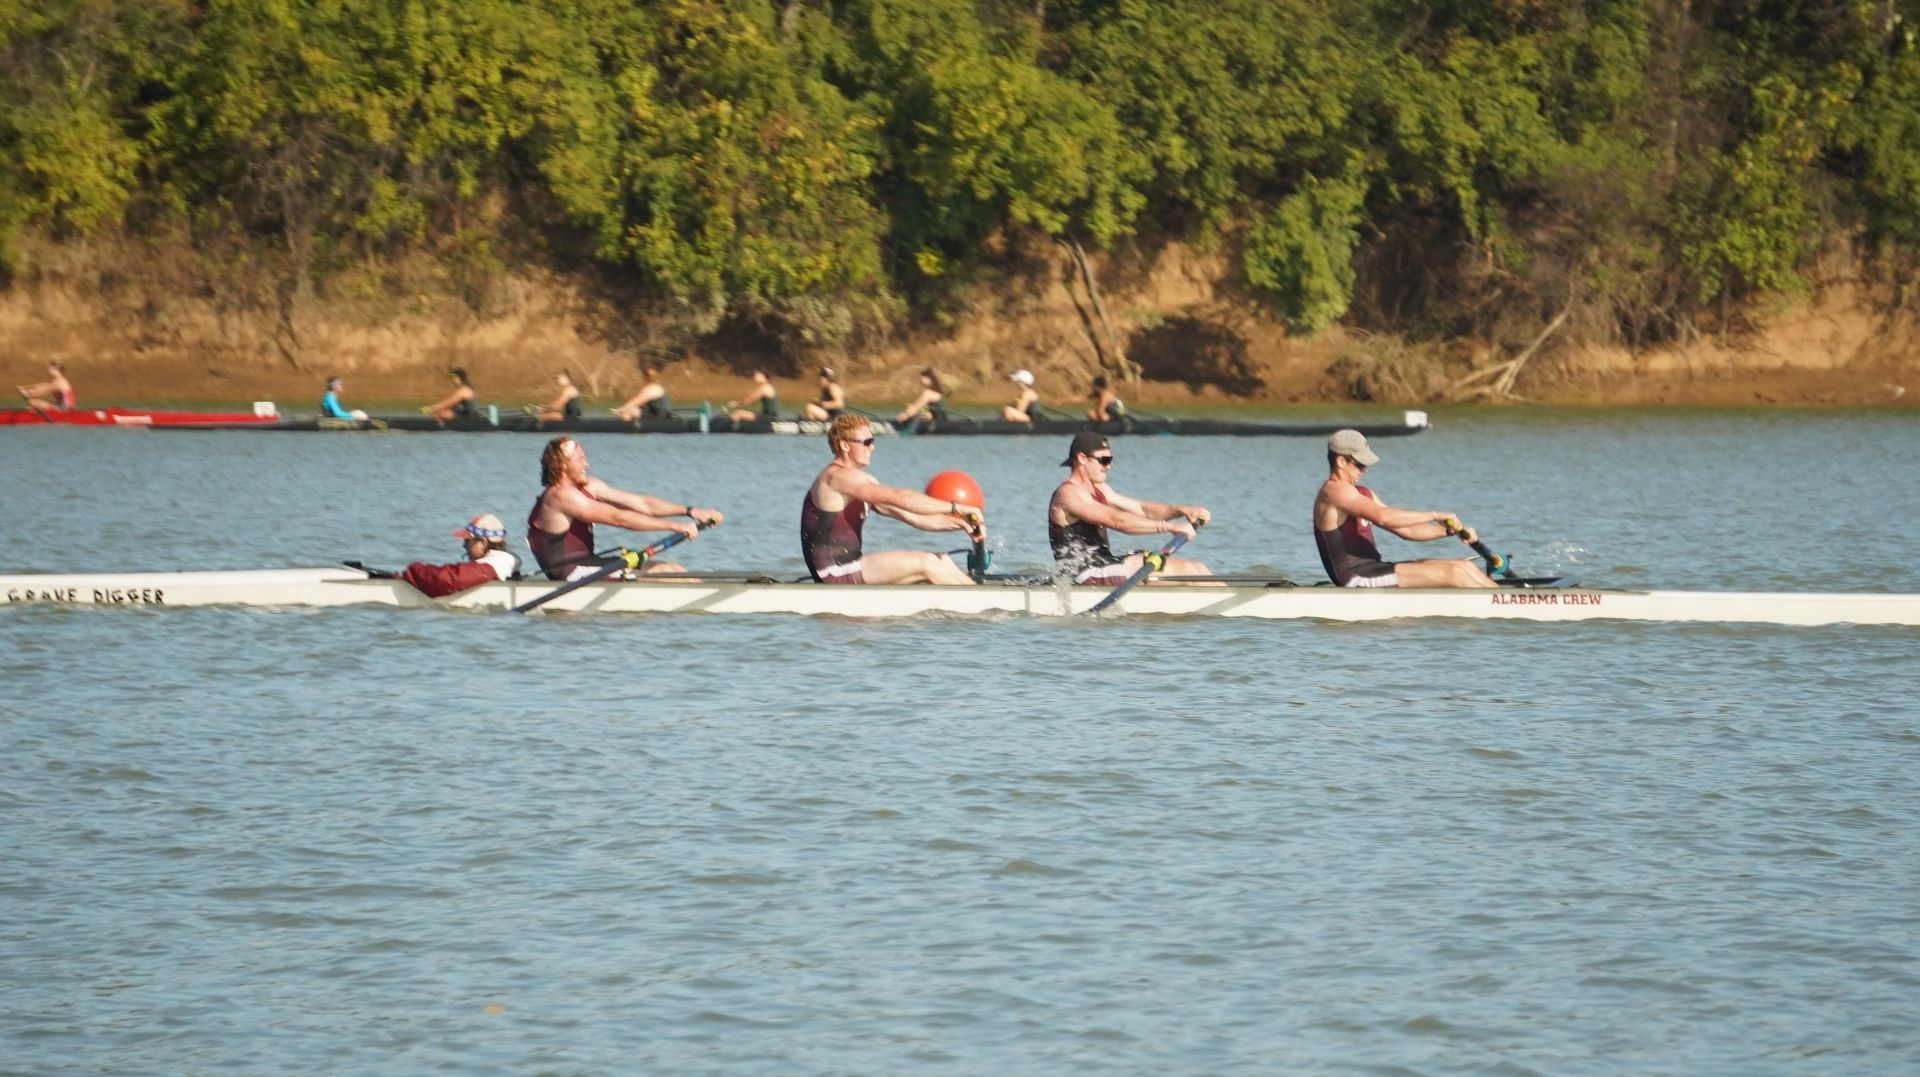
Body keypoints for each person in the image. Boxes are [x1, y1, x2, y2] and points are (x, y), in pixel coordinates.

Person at [801, 414, 982, 585]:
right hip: (834, 573)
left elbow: (915, 517)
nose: (873, 447)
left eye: (873, 441)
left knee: (942, 560)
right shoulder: (837, 477)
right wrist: (956, 508)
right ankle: (983, 605)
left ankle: (982, 598)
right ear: (845, 446)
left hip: (853, 565)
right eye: (867, 442)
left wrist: (961, 524)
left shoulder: (863, 482)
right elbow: (900, 498)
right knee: (926, 562)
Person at [1312, 428, 1496, 588]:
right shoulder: (1333, 492)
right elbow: (1384, 517)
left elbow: (1407, 529)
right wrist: (1434, 514)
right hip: (1356, 579)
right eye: (1360, 464)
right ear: (1341, 462)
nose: (1364, 470)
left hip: (1375, 570)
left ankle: (1510, 599)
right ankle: (1507, 604)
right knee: (1454, 573)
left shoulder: (1362, 493)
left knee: (1464, 567)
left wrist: (1449, 531)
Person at [527, 436, 722, 580]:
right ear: (562, 465)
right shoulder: (559, 496)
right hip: (570, 572)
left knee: (672, 568)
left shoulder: (589, 486)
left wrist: (690, 511)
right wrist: (675, 526)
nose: (587, 464)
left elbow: (643, 504)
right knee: (662, 572)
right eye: (580, 459)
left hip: (590, 564)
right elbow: (619, 518)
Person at [1049, 432, 1212, 584]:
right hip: (1083, 575)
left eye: (1110, 460)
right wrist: (1169, 527)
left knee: (1198, 568)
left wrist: (1182, 510)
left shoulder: (1100, 489)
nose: (1108, 466)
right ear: (1082, 458)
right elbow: (1117, 520)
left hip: (1104, 564)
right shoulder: (1068, 494)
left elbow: (1142, 509)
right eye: (1104, 460)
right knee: (1183, 571)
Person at [401, 513, 523, 598]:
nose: (464, 546)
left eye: (467, 541)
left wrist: (413, 571)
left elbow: (448, 580)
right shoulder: (504, 560)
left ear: (483, 543)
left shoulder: (491, 566)